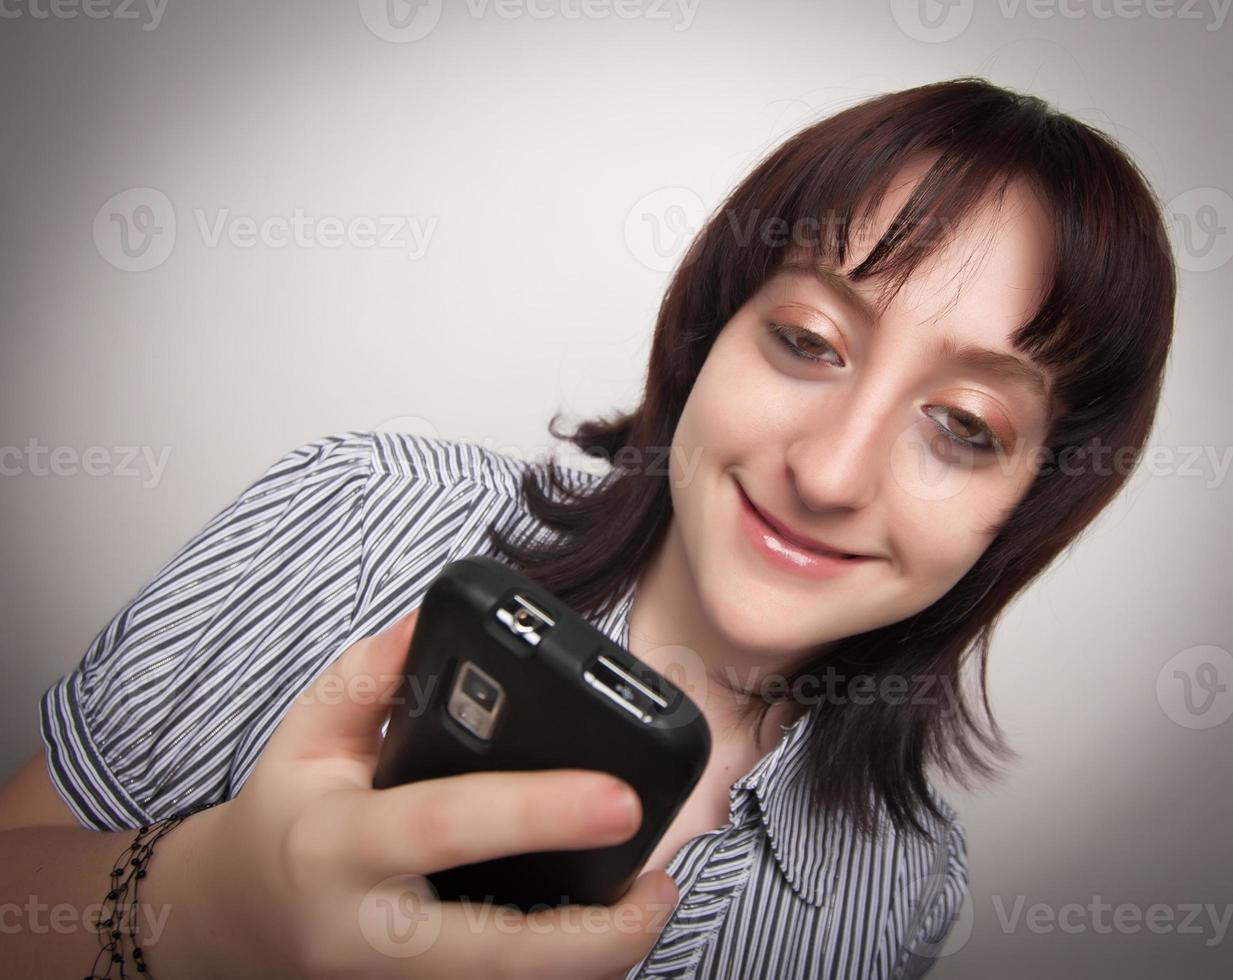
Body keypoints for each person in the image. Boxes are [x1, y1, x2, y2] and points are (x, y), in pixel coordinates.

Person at [0, 76, 1176, 979]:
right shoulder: (358, 512)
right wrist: (196, 919)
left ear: (1030, 499)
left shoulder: (908, 884)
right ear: (712, 334)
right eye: (809, 342)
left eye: (965, 425)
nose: (829, 471)